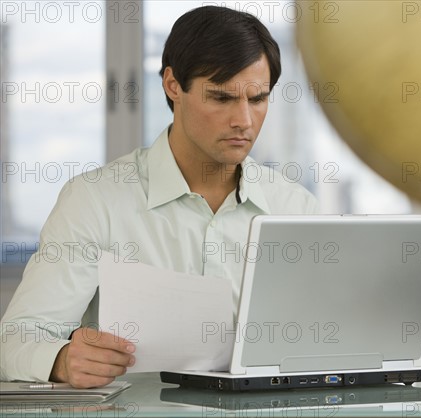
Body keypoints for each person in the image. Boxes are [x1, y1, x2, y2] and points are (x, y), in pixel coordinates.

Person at [0, 6, 318, 388]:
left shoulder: (295, 208)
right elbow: (15, 339)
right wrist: (61, 360)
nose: (244, 121)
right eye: (221, 98)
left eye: (258, 99)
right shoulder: (95, 201)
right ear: (172, 85)